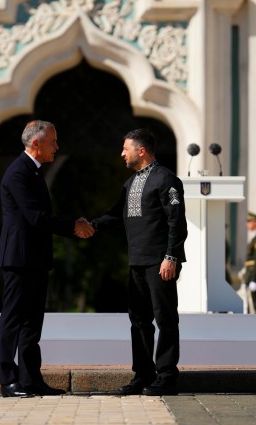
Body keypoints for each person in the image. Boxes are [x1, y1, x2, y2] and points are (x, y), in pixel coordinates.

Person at [0, 120, 94, 398]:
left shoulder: (34, 171)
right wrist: (73, 226)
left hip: (35, 258)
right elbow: (36, 217)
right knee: (13, 320)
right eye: (53, 142)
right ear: (36, 143)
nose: (57, 147)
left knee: (32, 323)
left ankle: (30, 379)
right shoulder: (18, 173)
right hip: (18, 258)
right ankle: (8, 380)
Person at [90, 129, 187, 396]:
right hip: (136, 262)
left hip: (160, 262)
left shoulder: (166, 179)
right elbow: (115, 215)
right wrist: (90, 226)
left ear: (141, 151)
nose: (122, 153)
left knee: (165, 319)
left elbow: (177, 221)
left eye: (126, 149)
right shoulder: (130, 183)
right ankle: (143, 375)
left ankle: (166, 377)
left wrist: (171, 256)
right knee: (139, 320)